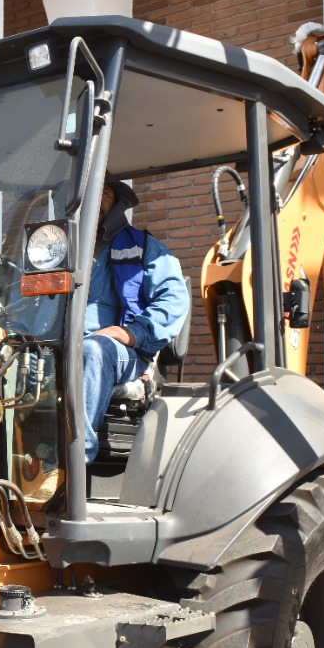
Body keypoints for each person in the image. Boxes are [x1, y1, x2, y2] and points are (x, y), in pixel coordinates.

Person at [82, 179, 189, 463]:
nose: (95, 199)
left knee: (92, 350)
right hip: (57, 348)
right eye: (87, 192)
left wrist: (132, 333)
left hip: (121, 354)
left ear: (118, 204)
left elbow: (173, 300)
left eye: (104, 193)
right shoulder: (56, 250)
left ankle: (76, 461)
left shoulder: (142, 247)